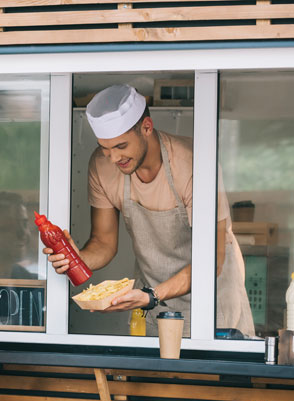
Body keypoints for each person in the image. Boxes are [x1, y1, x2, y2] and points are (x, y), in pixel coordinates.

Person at [45, 84, 254, 337]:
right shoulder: (102, 166)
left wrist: (152, 295)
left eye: (121, 146)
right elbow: (104, 242)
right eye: (105, 148)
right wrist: (76, 258)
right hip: (152, 297)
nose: (112, 158)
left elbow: (211, 260)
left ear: (147, 127)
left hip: (213, 295)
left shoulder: (193, 164)